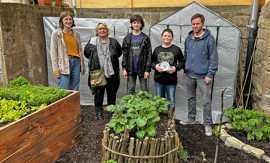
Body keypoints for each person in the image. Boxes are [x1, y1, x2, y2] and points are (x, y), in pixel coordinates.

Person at [180, 13, 218, 136]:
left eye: (197, 23)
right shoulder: (188, 39)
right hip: (190, 75)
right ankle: (191, 119)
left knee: (206, 100)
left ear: (202, 24)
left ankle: (207, 124)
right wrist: (185, 70)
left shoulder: (209, 39)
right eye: (193, 24)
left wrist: (210, 74)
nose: (195, 26)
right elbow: (186, 55)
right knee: (191, 98)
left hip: (203, 76)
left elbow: (213, 58)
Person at [84, 23, 122, 120]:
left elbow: (119, 53)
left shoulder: (113, 42)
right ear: (97, 31)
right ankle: (99, 112)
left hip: (111, 72)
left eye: (104, 28)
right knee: (98, 93)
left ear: (107, 30)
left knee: (112, 93)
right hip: (97, 71)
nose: (102, 30)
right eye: (100, 29)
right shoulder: (92, 41)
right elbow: (87, 53)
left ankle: (111, 110)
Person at [50, 11, 85, 91]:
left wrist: (82, 65)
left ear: (73, 21)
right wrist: (55, 69)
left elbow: (80, 50)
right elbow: (53, 52)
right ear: (61, 21)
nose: (68, 21)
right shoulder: (56, 34)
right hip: (64, 63)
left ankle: (73, 104)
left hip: (76, 62)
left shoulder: (76, 34)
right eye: (66, 19)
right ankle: (64, 104)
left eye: (70, 19)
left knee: (75, 88)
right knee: (64, 88)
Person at [151, 28, 184, 110]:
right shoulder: (157, 49)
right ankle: (160, 119)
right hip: (159, 80)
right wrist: (155, 66)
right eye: (165, 36)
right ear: (162, 37)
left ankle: (170, 119)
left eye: (169, 36)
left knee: (171, 101)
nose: (167, 37)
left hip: (171, 81)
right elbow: (151, 62)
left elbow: (182, 62)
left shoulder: (176, 49)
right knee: (159, 101)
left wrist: (175, 68)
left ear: (172, 38)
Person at [122, 14, 152, 94]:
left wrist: (147, 70)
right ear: (131, 24)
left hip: (142, 68)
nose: (136, 24)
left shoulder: (145, 38)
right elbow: (125, 54)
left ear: (141, 24)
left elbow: (149, 54)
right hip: (131, 68)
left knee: (144, 91)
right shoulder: (127, 38)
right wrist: (124, 68)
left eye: (138, 23)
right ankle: (131, 107)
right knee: (130, 90)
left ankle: (144, 106)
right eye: (134, 22)